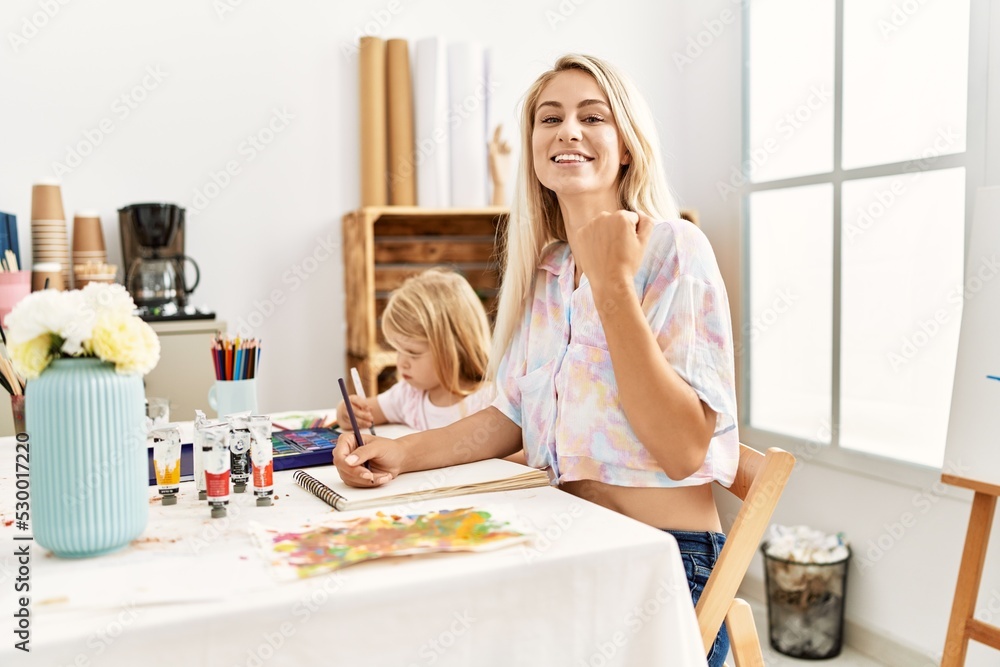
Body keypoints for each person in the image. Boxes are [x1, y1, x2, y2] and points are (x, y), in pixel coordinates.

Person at [334, 54, 738, 666]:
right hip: (567, 543)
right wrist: (400, 452)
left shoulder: (675, 249)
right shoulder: (548, 269)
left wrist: (612, 285)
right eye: (549, 118)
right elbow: (514, 416)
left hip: (662, 561)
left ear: (625, 146)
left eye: (591, 116)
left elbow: (682, 450)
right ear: (533, 149)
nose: (567, 131)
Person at [336, 268, 495, 431]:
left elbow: (518, 453)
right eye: (398, 350)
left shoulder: (487, 402)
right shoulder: (408, 396)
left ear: (455, 348)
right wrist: (347, 413)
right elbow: (365, 412)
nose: (402, 363)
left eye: (413, 353)